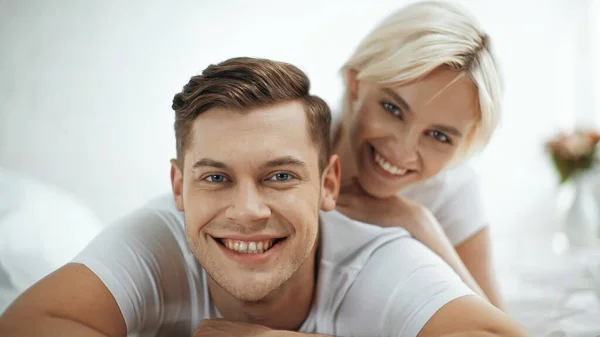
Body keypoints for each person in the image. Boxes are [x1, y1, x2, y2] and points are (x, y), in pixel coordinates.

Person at [0, 57, 525, 337]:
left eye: (279, 177)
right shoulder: (154, 240)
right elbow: (26, 325)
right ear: (179, 187)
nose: (248, 211)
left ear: (328, 184)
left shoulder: (378, 261)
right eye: (215, 178)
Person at [332, 1, 504, 307]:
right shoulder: (294, 143)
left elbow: (497, 327)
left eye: (439, 136)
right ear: (355, 82)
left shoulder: (451, 189)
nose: (402, 151)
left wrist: (417, 223)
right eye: (392, 109)